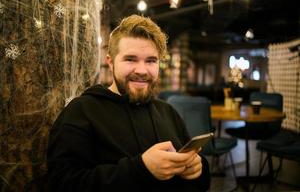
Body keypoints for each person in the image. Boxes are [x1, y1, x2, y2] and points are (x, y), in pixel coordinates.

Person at [47, 14, 210, 191]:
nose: (142, 70)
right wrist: (140, 169)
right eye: (130, 59)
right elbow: (63, 183)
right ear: (110, 62)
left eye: (151, 61)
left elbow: (197, 182)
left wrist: (198, 170)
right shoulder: (81, 112)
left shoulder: (168, 112)